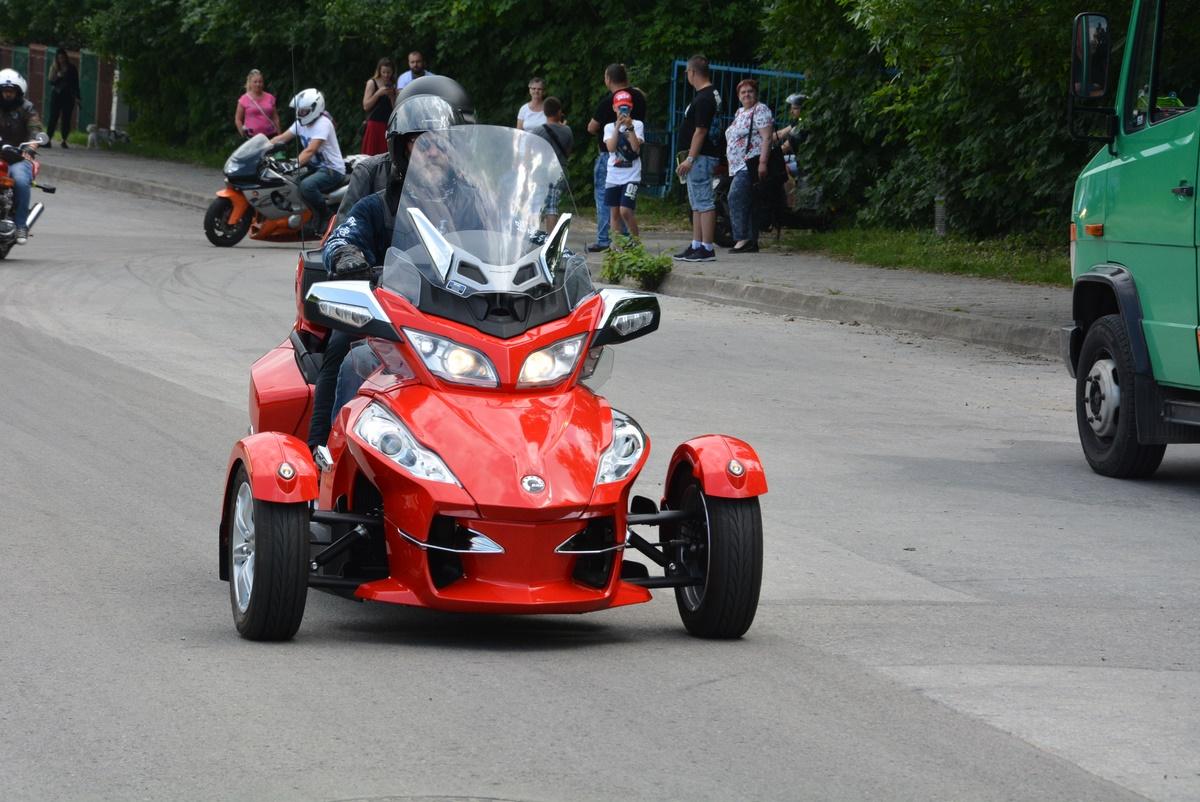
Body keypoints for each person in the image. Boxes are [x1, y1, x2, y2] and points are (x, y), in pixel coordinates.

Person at [308, 77, 475, 450]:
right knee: (347, 353)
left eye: (441, 142)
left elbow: (515, 237)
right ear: (404, 147)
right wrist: (347, 256)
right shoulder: (378, 203)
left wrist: (551, 255)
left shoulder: (474, 202)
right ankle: (325, 451)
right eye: (421, 142)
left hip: (465, 316)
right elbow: (342, 235)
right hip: (390, 316)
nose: (433, 151)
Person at [585, 63, 647, 252]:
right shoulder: (639, 96)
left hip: (615, 159)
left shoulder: (608, 101)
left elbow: (591, 127)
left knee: (609, 201)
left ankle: (605, 239)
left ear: (608, 79)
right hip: (617, 159)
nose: (622, 110)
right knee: (615, 206)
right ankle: (620, 242)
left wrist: (627, 127)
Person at [269, 88, 345, 234]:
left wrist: (294, 164)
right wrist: (263, 147)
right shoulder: (301, 123)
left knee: (306, 186)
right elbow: (282, 138)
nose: (300, 114)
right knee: (291, 183)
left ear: (316, 108)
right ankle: (309, 216)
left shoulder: (323, 123)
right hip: (316, 167)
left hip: (332, 169)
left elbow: (310, 150)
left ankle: (327, 216)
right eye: (299, 111)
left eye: (304, 111)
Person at [673, 54, 722, 263]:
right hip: (700, 157)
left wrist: (690, 159)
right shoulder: (710, 94)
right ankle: (696, 244)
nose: (687, 76)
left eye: (687, 72)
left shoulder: (704, 98)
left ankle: (707, 247)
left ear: (692, 72)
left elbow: (700, 130)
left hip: (701, 157)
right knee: (696, 203)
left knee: (704, 202)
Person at [724, 79, 774, 254]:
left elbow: (767, 137)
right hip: (737, 165)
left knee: (735, 197)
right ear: (738, 96)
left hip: (750, 164)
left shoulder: (760, 110)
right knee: (748, 201)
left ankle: (742, 238)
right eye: (743, 92)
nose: (746, 95)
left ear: (756, 93)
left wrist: (763, 162)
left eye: (750, 91)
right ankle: (751, 241)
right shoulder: (740, 112)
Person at [0, 69, 43, 245]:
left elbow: (35, 131)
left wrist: (31, 148)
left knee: (21, 180)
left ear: (18, 92)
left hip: (19, 155)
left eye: (11, 91)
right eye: (4, 91)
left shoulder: (27, 108)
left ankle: (20, 225)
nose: (7, 94)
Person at [528, 96, 573, 231]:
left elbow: (531, 153)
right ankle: (551, 238)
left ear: (544, 112)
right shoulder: (567, 130)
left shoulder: (537, 131)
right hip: (558, 172)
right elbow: (568, 152)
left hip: (540, 172)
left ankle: (533, 236)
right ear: (559, 112)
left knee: (535, 206)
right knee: (552, 207)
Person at [603, 89, 643, 242]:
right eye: (620, 107)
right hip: (613, 176)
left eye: (626, 107)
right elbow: (611, 148)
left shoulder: (637, 125)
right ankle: (617, 247)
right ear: (614, 108)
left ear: (631, 108)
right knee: (614, 213)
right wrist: (617, 127)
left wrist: (629, 127)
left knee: (625, 210)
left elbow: (635, 148)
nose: (623, 111)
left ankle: (636, 243)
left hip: (632, 175)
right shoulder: (608, 127)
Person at [361, 57, 397, 156]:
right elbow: (366, 106)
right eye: (383, 72)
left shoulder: (393, 84)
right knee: (371, 155)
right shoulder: (372, 83)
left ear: (392, 72)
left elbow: (395, 109)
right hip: (374, 125)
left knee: (386, 156)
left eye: (388, 72)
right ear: (379, 71)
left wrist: (392, 96)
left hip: (387, 125)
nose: (386, 75)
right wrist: (378, 94)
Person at [45, 50, 79, 148]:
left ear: (66, 57)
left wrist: (78, 97)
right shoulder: (54, 68)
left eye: (63, 57)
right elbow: (51, 82)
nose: (61, 60)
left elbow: (76, 83)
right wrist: (58, 77)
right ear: (57, 59)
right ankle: (48, 139)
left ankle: (64, 140)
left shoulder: (71, 68)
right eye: (59, 58)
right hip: (57, 95)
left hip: (69, 96)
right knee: (53, 117)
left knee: (66, 118)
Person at [235, 69, 281, 139]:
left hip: (271, 135)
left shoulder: (270, 97)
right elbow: (238, 119)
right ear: (250, 83)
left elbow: (275, 118)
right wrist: (243, 134)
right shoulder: (244, 99)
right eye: (255, 82)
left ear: (263, 83)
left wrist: (280, 135)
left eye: (260, 82)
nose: (258, 84)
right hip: (252, 137)